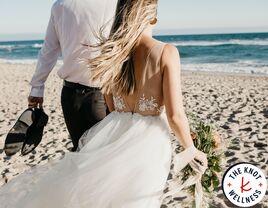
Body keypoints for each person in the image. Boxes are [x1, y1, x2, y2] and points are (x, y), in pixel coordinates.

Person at [0, 0, 207, 207]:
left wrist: (37, 88)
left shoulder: (109, 51)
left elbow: (109, 104)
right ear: (153, 17)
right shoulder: (166, 52)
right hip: (148, 138)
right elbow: (175, 116)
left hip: (100, 119)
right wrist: (191, 150)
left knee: (99, 183)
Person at [28, 0, 118, 151]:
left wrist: (37, 88)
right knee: (106, 157)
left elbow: (49, 51)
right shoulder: (116, 3)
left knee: (81, 154)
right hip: (106, 94)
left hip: (71, 97)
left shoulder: (61, 5)